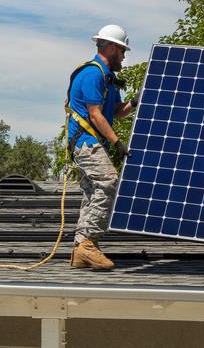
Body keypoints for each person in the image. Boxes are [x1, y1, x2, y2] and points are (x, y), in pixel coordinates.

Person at [65, 24, 137, 271]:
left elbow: (116, 112)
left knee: (91, 192)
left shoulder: (109, 78)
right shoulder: (92, 74)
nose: (124, 57)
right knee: (108, 181)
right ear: (112, 48)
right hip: (86, 142)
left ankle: (81, 250)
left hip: (93, 143)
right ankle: (88, 242)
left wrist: (134, 102)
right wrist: (117, 143)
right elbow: (95, 115)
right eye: (122, 51)